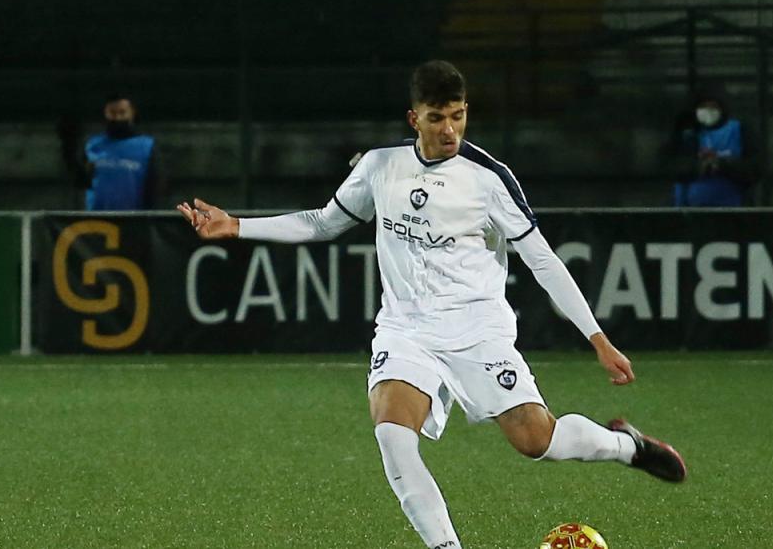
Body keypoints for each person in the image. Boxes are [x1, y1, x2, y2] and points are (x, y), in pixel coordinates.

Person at [177, 60, 686, 549]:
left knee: (537, 441)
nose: (450, 129)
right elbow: (323, 222)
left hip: (477, 331)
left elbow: (544, 261)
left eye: (459, 115)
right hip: (406, 330)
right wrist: (237, 226)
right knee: (393, 434)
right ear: (414, 117)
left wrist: (597, 338)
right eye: (438, 117)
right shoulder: (381, 167)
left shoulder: (489, 179)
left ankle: (626, 446)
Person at [60, 93, 165, 210]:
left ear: (132, 113)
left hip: (135, 219)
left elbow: (156, 186)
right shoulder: (92, 145)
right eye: (112, 113)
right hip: (97, 219)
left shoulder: (147, 146)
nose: (118, 118)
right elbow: (80, 182)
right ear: (105, 114)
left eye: (122, 112)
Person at [670, 81, 758, 207]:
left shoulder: (740, 130)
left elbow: (755, 169)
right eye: (703, 106)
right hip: (690, 211)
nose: (708, 111)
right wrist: (697, 166)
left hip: (734, 211)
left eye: (713, 106)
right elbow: (671, 166)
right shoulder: (688, 133)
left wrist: (722, 164)